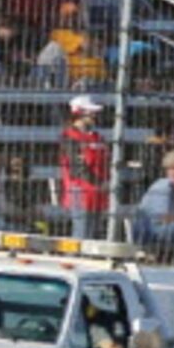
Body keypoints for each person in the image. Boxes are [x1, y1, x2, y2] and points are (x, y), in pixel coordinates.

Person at [58, 93, 110, 239]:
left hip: (98, 193)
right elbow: (76, 166)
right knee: (82, 234)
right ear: (79, 113)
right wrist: (98, 183)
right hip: (80, 192)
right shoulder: (69, 136)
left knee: (94, 233)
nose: (95, 116)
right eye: (91, 112)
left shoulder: (97, 137)